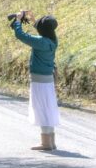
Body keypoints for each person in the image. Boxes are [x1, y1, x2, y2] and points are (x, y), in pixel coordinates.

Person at [11, 10, 60, 151]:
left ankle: (45, 144)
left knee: (41, 109)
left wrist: (19, 21)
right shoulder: (52, 40)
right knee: (48, 109)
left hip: (39, 81)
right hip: (48, 80)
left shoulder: (40, 42)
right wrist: (33, 20)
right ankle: (51, 142)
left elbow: (20, 35)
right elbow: (42, 32)